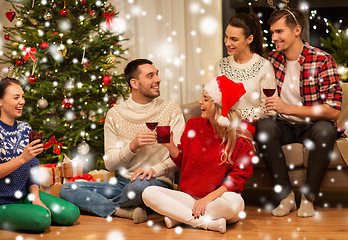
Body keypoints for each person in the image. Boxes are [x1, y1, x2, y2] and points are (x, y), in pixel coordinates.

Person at [59, 59, 186, 223]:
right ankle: (121, 210)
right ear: (134, 83)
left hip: (155, 183)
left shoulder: (170, 110)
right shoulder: (115, 114)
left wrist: (154, 170)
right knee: (67, 189)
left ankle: (112, 207)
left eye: (157, 74)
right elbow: (110, 165)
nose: (158, 79)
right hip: (122, 184)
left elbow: (180, 155)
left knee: (140, 186)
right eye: (150, 76)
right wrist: (132, 146)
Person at [255, 8, 344, 218]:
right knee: (264, 128)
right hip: (283, 126)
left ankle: (308, 198)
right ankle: (286, 197)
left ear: (297, 30)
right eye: (272, 32)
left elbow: (333, 111)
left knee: (325, 130)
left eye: (279, 32)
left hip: (313, 126)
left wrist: (288, 108)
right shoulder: (273, 60)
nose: (274, 37)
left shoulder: (323, 60)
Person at [141, 75, 253, 234]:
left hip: (217, 200)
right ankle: (205, 223)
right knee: (148, 193)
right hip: (188, 198)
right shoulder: (193, 124)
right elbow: (183, 161)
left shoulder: (242, 137)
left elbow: (237, 179)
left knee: (236, 203)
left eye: (206, 99)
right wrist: (171, 146)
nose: (200, 102)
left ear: (219, 106)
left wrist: (208, 199)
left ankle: (179, 216)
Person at [0, 77, 80, 232]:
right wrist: (21, 159)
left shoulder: (24, 128)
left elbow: (33, 165)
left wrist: (36, 197)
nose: (22, 101)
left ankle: (30, 208)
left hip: (23, 196)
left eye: (23, 97)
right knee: (42, 218)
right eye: (16, 97)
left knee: (71, 213)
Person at [215, 12, 277, 135]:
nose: (227, 43)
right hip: (223, 126)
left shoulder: (264, 66)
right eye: (226, 37)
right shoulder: (220, 65)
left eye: (234, 39)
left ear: (249, 39)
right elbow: (216, 101)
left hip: (250, 127)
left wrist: (237, 115)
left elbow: (270, 110)